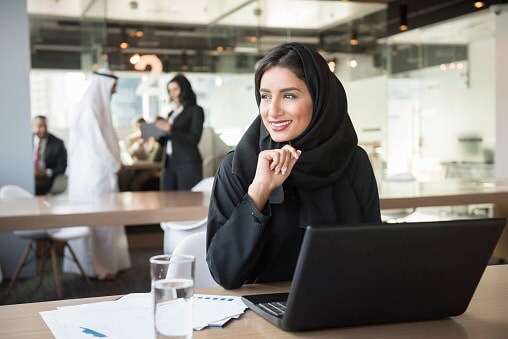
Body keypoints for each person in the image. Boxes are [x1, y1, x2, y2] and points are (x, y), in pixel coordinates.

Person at [206, 43, 381, 289]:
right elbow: (225, 273)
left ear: (320, 99)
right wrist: (259, 191)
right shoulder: (238, 166)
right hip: (260, 317)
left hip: (343, 305)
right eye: (265, 96)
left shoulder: (353, 162)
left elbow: (373, 253)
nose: (273, 111)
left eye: (289, 95)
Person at [65, 69, 131, 280]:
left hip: (100, 173)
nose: (113, 92)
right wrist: (115, 164)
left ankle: (110, 264)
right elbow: (97, 145)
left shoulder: (96, 105)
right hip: (92, 175)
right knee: (99, 222)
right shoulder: (89, 107)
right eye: (112, 88)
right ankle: (98, 268)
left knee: (107, 221)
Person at [155, 74, 204, 190]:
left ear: (184, 89)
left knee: (187, 201)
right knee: (167, 200)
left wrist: (171, 129)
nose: (172, 93)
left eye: (175, 89)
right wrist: (159, 133)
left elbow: (194, 139)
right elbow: (168, 141)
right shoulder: (171, 113)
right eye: (170, 90)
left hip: (187, 162)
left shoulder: (195, 110)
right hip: (169, 163)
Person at [32, 115, 67, 195]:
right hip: (29, 177)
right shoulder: (25, 140)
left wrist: (45, 172)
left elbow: (62, 168)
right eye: (40, 126)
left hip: (46, 178)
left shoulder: (58, 144)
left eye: (45, 126)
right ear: (33, 127)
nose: (43, 129)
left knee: (36, 187)